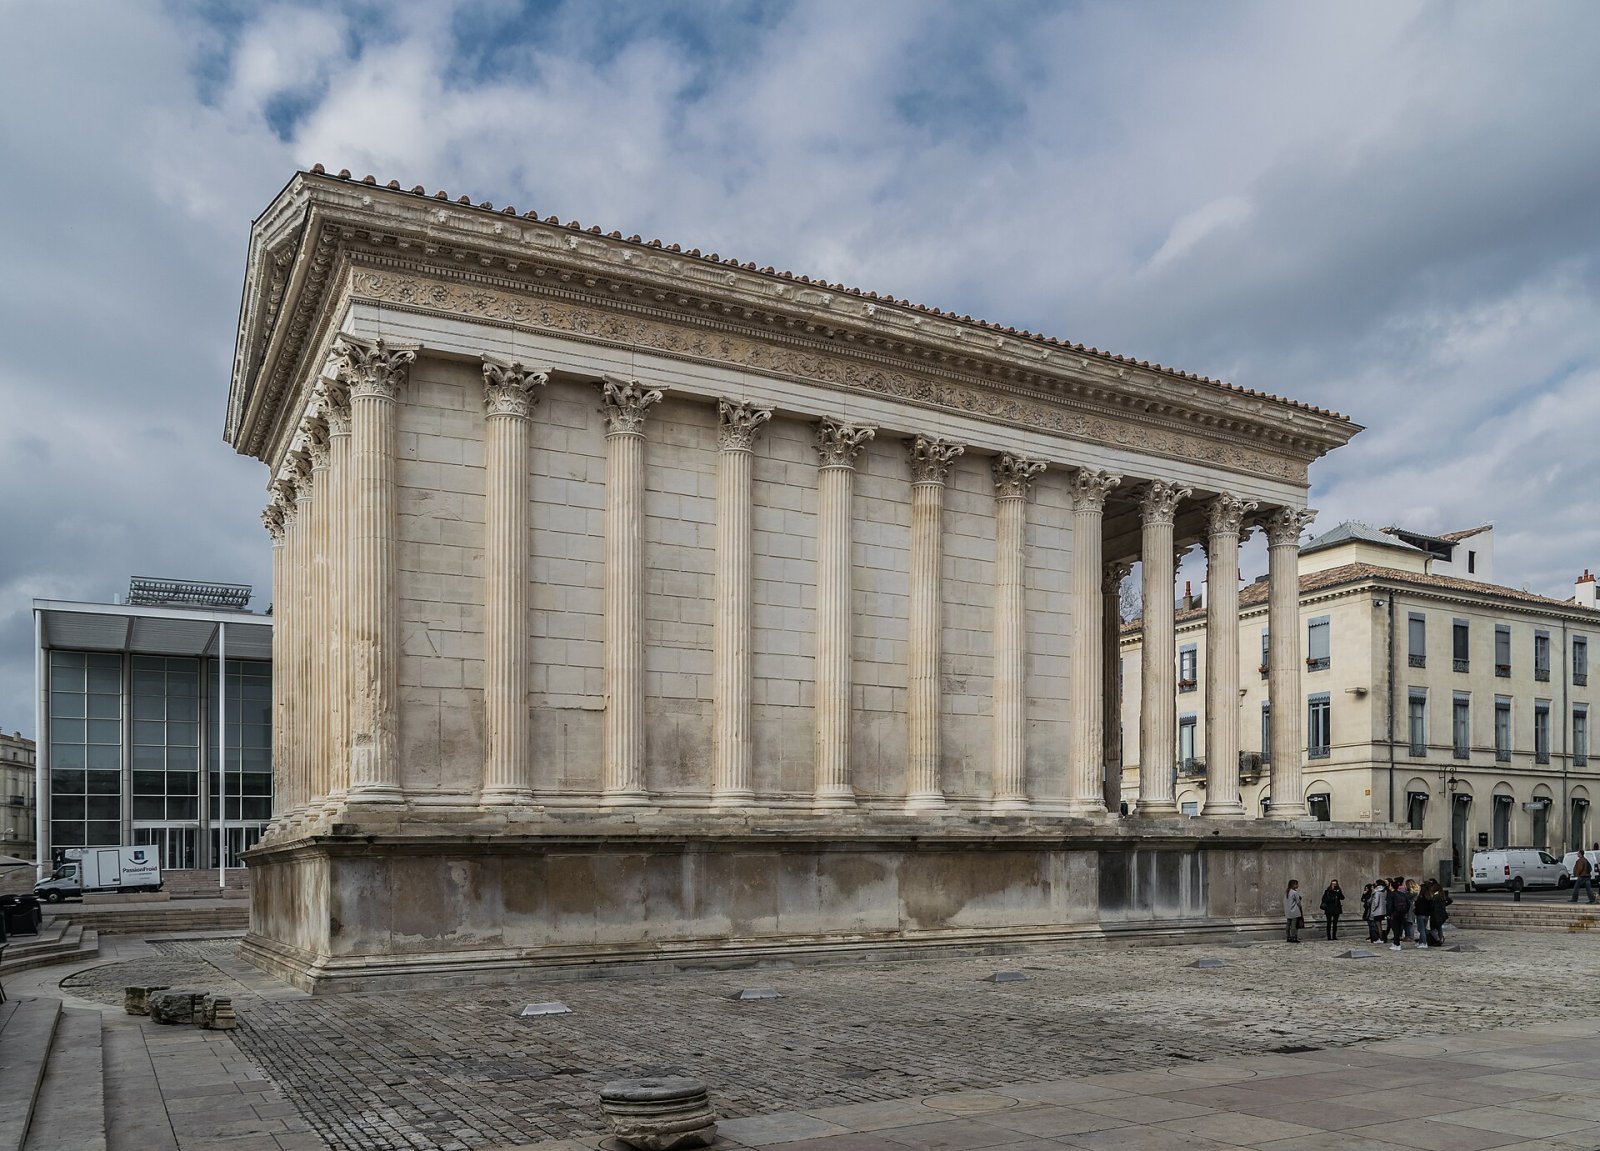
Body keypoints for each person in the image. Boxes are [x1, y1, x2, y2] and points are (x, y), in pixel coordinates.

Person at [1387, 876, 1412, 950]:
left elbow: (1390, 905)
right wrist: (1405, 912)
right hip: (1402, 913)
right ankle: (1396, 943)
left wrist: (1388, 914)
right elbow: (1408, 904)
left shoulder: (1391, 894)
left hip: (1394, 914)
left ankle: (1396, 944)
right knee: (1398, 928)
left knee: (1396, 929)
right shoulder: (1402, 894)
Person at [1413, 881, 1433, 949]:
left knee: (1421, 929)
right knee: (1423, 928)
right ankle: (1421, 941)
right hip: (1427, 914)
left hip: (1420, 914)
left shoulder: (1421, 897)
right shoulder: (1429, 897)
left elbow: (1417, 905)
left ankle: (1424, 943)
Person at [1368, 879, 1389, 943]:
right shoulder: (1384, 891)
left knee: (1378, 925)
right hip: (1382, 910)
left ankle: (1381, 938)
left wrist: (1373, 909)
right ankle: (1381, 938)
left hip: (1377, 911)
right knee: (1380, 925)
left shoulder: (1377, 891)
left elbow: (1376, 902)